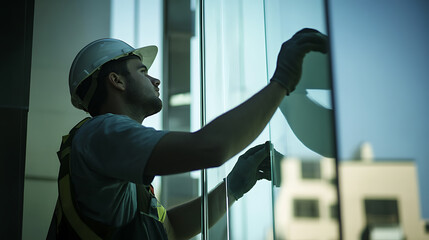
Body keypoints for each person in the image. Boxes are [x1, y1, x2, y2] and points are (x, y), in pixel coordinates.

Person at [48, 28, 328, 239]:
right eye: (143, 71)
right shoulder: (102, 132)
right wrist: (283, 82)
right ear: (116, 81)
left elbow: (170, 229)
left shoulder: (113, 158)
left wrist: (233, 187)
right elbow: (210, 148)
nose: (155, 80)